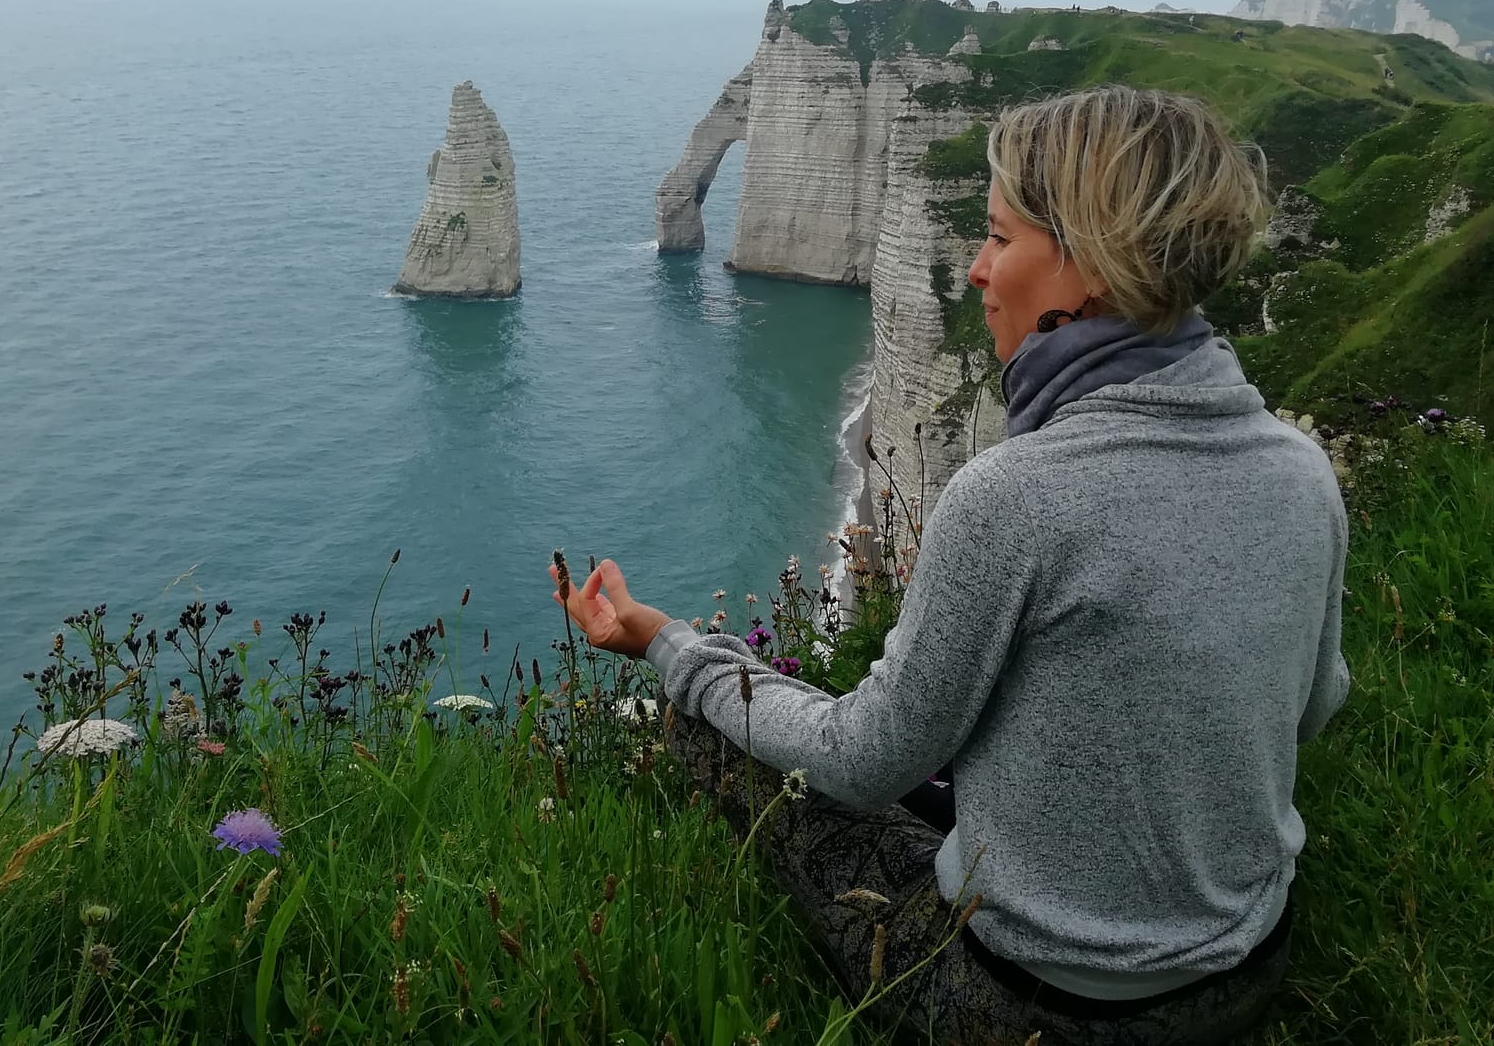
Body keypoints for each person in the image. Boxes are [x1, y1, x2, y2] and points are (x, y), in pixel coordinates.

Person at [549, 85, 1351, 1045]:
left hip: (1036, 1012)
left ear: (1087, 266)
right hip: (1249, 968)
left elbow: (859, 760)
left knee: (718, 730)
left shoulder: (1018, 494)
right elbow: (1314, 707)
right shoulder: (1301, 470)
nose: (975, 270)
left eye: (1000, 238)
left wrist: (671, 646)